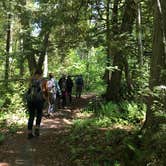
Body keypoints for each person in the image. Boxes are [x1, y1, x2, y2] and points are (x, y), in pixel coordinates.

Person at [26, 69, 46, 139]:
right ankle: (37, 130)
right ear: (41, 74)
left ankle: (29, 133)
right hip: (39, 100)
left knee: (31, 116)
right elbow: (44, 90)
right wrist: (45, 98)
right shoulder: (42, 80)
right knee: (39, 114)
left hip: (30, 100)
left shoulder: (31, 79)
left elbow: (28, 90)